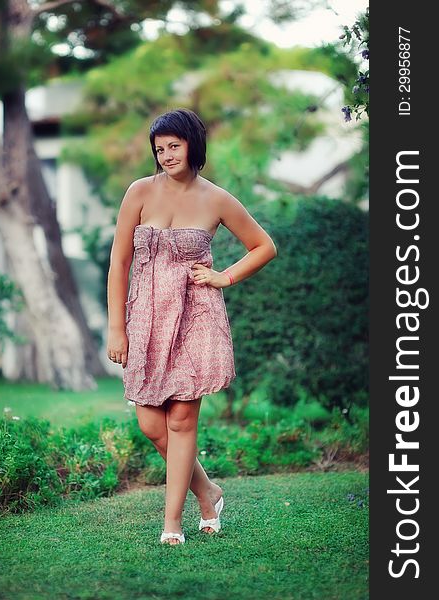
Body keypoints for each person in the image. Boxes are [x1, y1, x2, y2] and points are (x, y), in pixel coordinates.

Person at [106, 108, 277, 545]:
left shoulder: (216, 199)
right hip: (144, 316)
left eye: (173, 146)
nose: (165, 156)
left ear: (192, 145)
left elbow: (263, 246)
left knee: (182, 420)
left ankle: (172, 524)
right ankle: (209, 490)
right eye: (159, 149)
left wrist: (225, 276)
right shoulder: (139, 191)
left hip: (195, 316)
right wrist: (116, 327)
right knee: (150, 424)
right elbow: (119, 262)